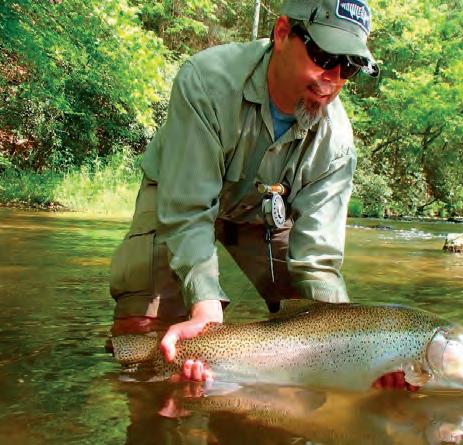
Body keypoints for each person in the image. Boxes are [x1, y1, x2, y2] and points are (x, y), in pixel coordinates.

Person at [109, 0, 415, 390]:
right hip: (177, 195)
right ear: (283, 33)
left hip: (262, 214)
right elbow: (187, 212)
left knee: (309, 327)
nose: (333, 79)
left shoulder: (336, 144)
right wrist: (206, 311)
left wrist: (359, 355)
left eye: (349, 67)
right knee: (144, 343)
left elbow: (317, 263)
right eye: (324, 57)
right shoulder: (206, 81)